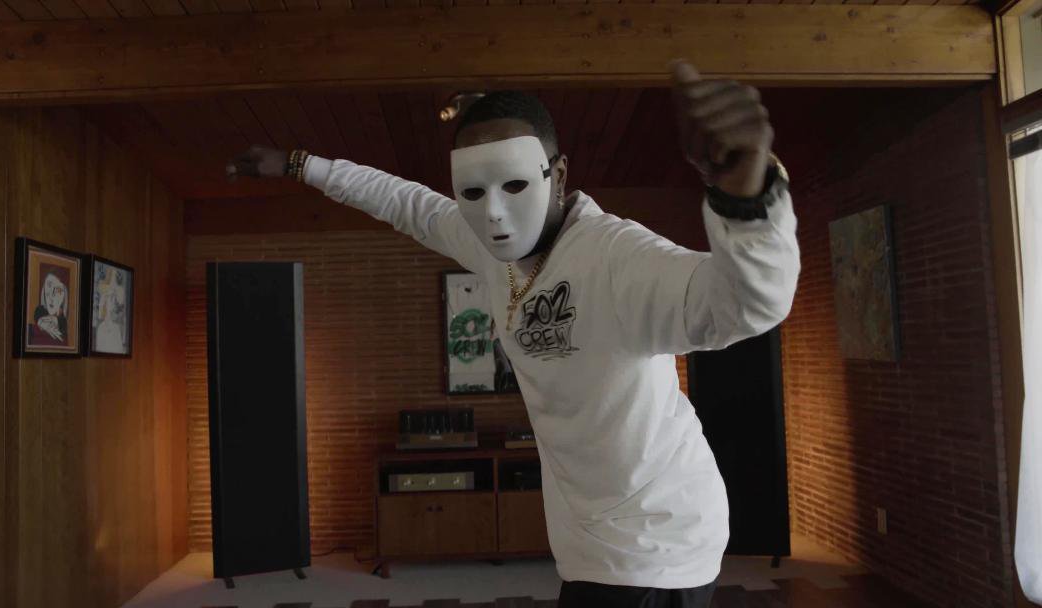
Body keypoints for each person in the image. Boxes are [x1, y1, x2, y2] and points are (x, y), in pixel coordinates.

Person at [226, 61, 800, 608]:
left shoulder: (615, 256)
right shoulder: (485, 244)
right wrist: (301, 164)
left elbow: (743, 305)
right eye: (474, 193)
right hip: (587, 535)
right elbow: (403, 201)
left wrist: (746, 198)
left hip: (656, 540)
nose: (494, 213)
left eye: (515, 185)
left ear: (559, 175)